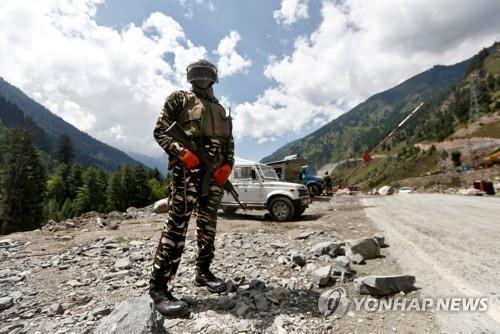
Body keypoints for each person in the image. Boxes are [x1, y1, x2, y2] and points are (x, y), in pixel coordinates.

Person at [149, 59, 235, 318]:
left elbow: (229, 141)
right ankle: (159, 287)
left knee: (208, 224)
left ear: (214, 78)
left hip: (213, 174)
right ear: (190, 78)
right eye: (198, 75)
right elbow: (161, 131)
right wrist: (181, 152)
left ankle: (203, 272)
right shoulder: (179, 98)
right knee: (177, 225)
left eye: (206, 75)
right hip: (186, 172)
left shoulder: (220, 109)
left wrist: (227, 166)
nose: (202, 79)